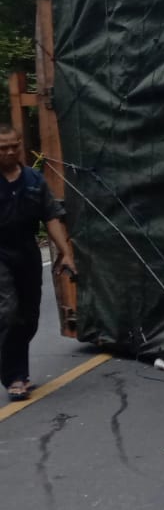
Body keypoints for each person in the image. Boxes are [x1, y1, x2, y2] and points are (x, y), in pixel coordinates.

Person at [0, 125, 75, 401]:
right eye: (2, 147)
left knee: (29, 318)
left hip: (27, 251)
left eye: (13, 146)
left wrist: (65, 252)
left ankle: (17, 368)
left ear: (20, 145)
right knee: (8, 311)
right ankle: (14, 376)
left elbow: (51, 216)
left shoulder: (33, 180)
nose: (9, 151)